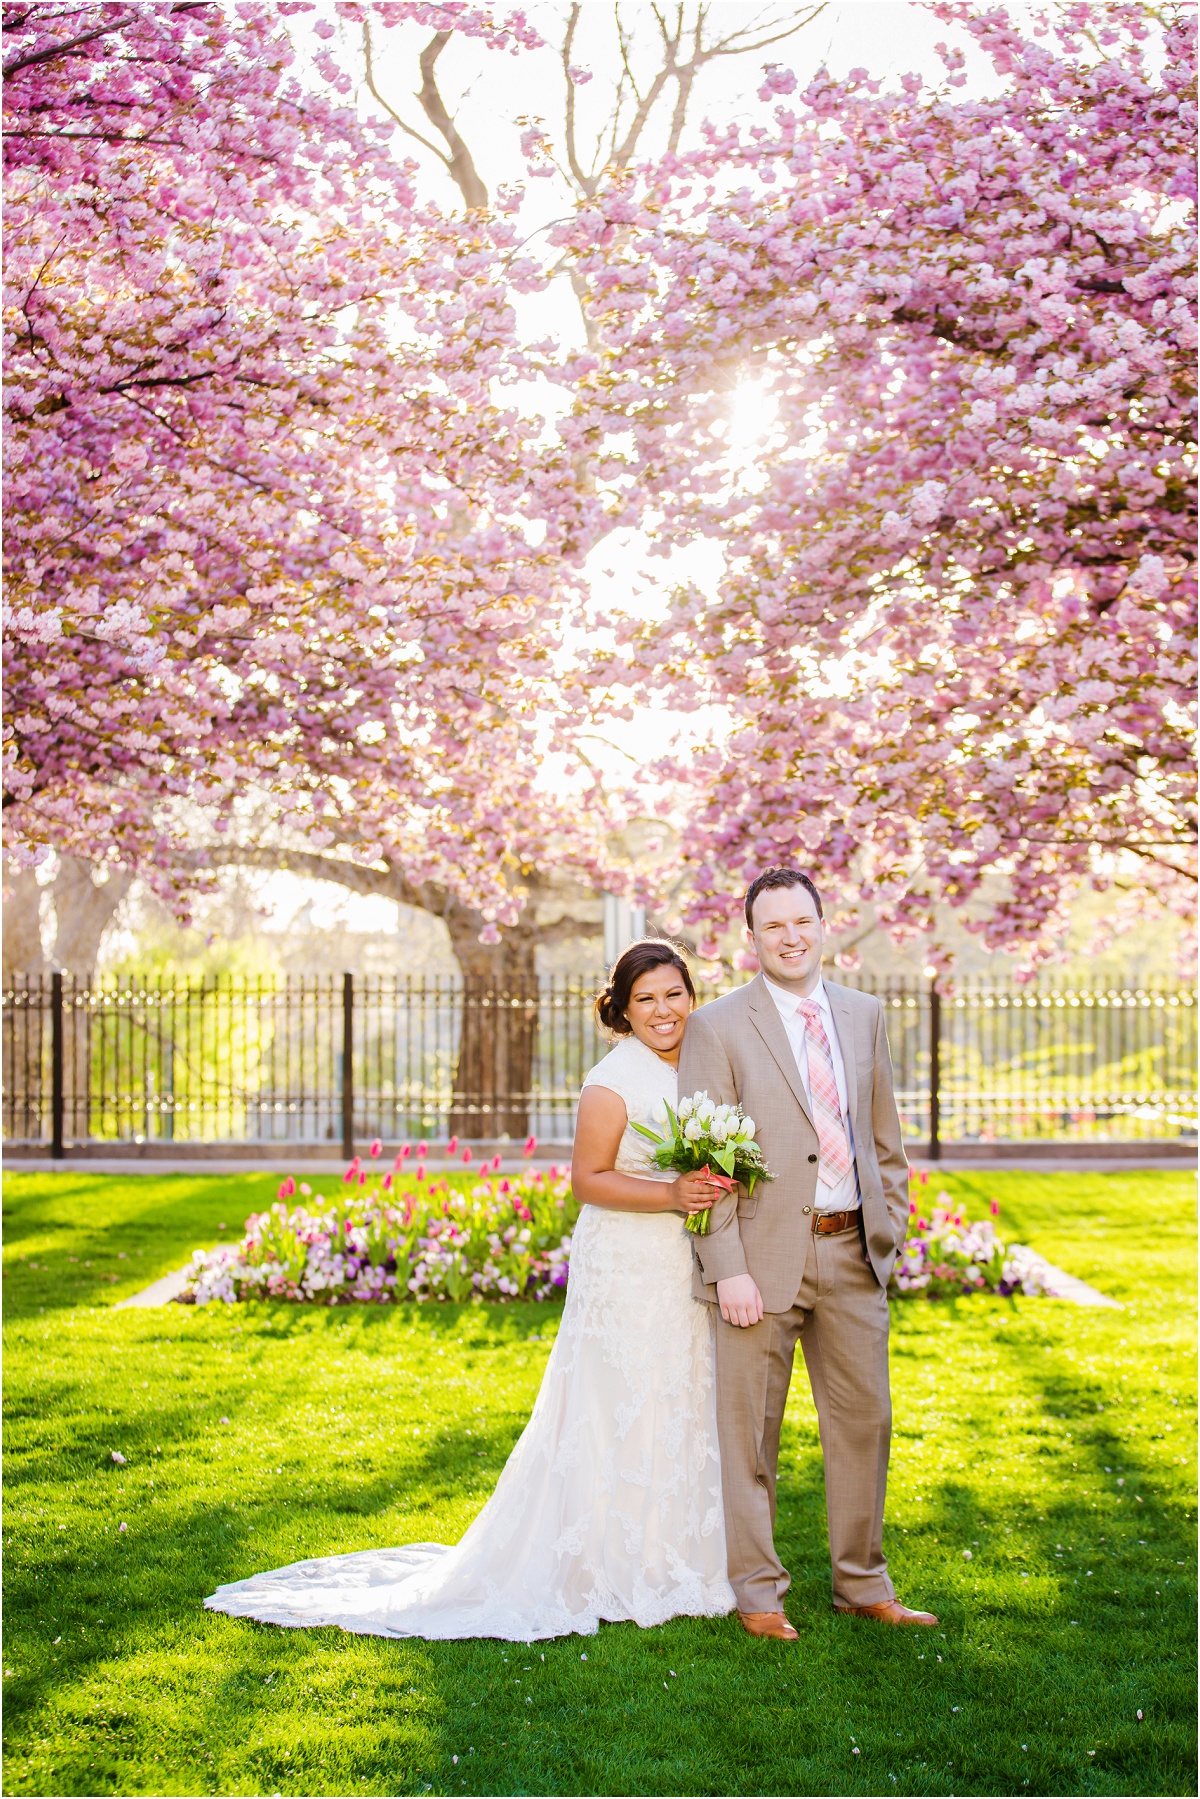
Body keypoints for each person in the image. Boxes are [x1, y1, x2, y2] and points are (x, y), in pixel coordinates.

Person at [205, 939, 734, 1641]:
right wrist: (671, 1190)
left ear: (691, 995)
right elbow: (588, 1179)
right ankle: (604, 1562)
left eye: (674, 994)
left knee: (678, 1392)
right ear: (623, 1009)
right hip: (627, 1261)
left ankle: (675, 1554)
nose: (663, 1010)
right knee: (616, 1400)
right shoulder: (613, 1080)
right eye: (647, 999)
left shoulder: (703, 1063)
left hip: (679, 1260)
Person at [679, 867, 937, 1639]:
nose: (790, 936)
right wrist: (727, 1270)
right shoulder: (719, 1025)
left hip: (852, 1252)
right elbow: (703, 1160)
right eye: (773, 925)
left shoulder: (863, 1014)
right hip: (759, 1264)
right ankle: (759, 1592)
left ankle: (862, 1582)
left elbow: (882, 1138)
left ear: (824, 925)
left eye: (803, 921)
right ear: (750, 938)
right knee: (750, 1433)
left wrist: (884, 1233)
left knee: (866, 1423)